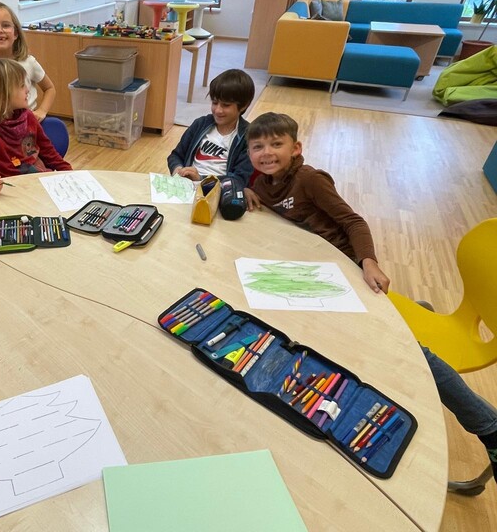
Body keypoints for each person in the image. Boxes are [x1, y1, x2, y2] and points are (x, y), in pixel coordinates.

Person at [244, 112, 497, 482]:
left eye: (276, 144)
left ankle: (489, 426)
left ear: (296, 148)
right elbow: (263, 199)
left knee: (411, 350)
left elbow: (354, 222)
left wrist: (368, 261)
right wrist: (246, 189)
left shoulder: (310, 179)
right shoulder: (262, 182)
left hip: (347, 272)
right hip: (315, 273)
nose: (266, 152)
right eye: (258, 147)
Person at [0, 58, 71, 195]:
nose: (27, 90)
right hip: (10, 190)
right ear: (2, 94)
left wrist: (70, 172)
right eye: (21, 86)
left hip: (40, 182)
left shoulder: (28, 115)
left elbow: (49, 152)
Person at [166, 69, 255, 188]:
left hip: (221, 191)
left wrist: (201, 179)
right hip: (186, 187)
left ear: (244, 105)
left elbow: (239, 179)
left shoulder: (249, 136)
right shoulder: (200, 124)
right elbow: (176, 155)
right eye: (214, 102)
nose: (218, 110)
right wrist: (177, 169)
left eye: (226, 105)